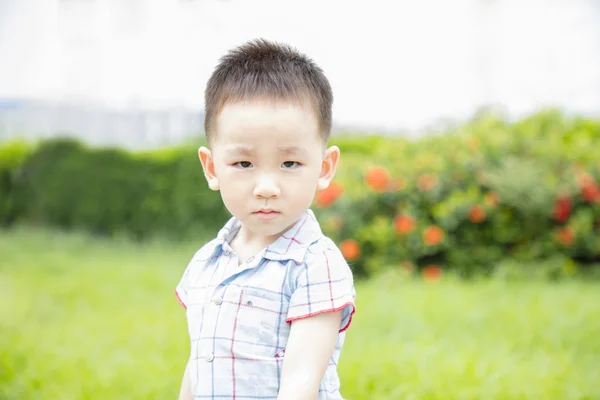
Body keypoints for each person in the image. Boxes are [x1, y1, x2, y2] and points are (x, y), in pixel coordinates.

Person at [175, 38, 356, 400]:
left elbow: (301, 381)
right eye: (244, 164)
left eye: (290, 163)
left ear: (324, 167)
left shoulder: (315, 264)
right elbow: (198, 363)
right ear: (212, 168)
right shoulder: (206, 263)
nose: (267, 187)